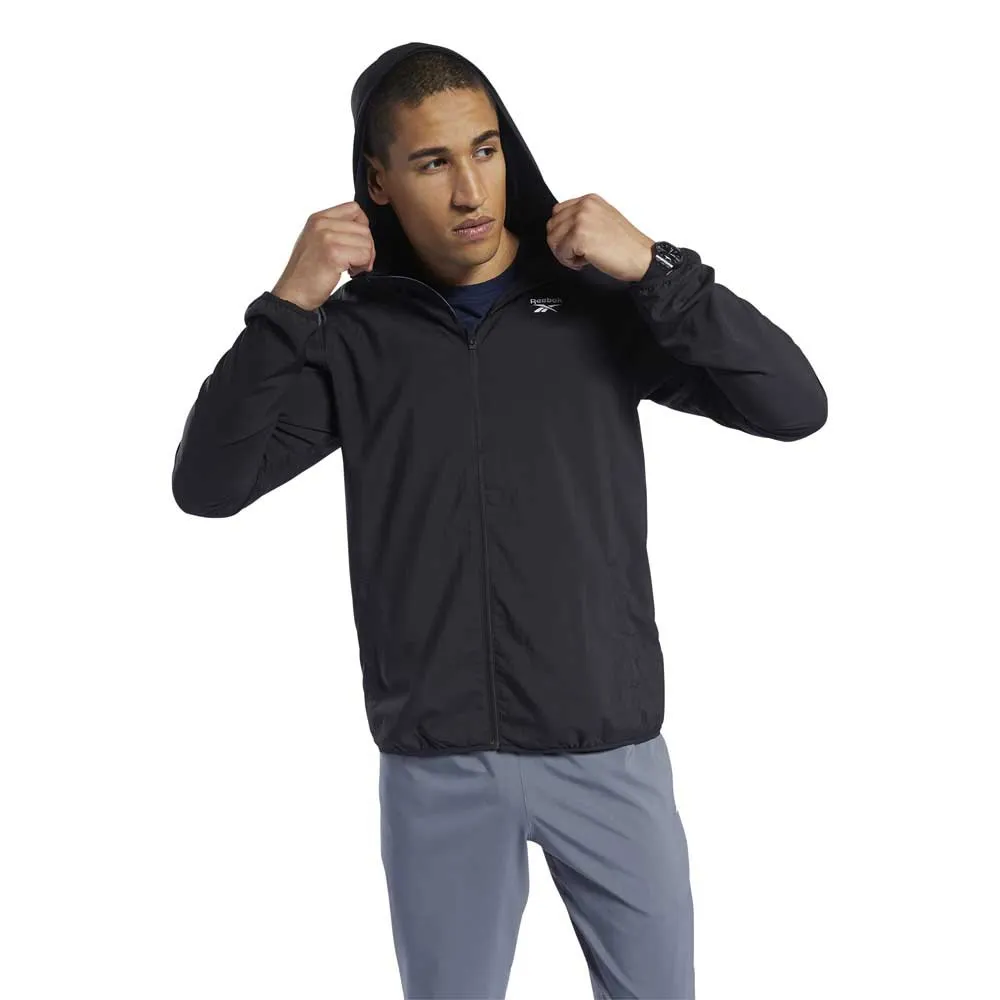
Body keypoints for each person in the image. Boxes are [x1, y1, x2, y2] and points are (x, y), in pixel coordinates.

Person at [172, 40, 827, 1000]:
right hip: (438, 767)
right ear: (378, 183)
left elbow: (795, 405)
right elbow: (208, 483)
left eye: (485, 150)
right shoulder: (356, 338)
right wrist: (289, 303)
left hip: (608, 751)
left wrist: (657, 268)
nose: (471, 191)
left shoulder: (601, 305)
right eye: (433, 162)